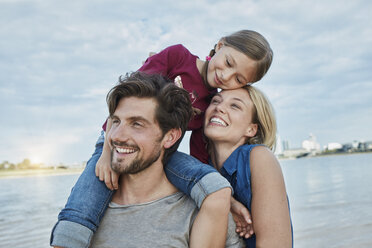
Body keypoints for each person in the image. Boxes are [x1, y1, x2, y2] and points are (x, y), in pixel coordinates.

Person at [51, 30, 273, 247]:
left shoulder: (210, 103)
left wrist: (230, 200)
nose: (225, 75)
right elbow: (126, 101)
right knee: (83, 205)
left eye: (238, 78)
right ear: (220, 45)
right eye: (228, 62)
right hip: (113, 135)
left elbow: (198, 153)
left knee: (213, 184)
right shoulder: (178, 56)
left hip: (165, 152)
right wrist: (107, 152)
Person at [52, 72, 243, 247]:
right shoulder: (85, 211)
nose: (117, 136)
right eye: (116, 121)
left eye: (137, 124)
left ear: (170, 136)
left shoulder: (202, 211)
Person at [204, 86, 293, 247]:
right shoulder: (201, 167)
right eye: (215, 101)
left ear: (251, 129)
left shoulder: (259, 157)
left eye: (235, 106)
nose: (219, 107)